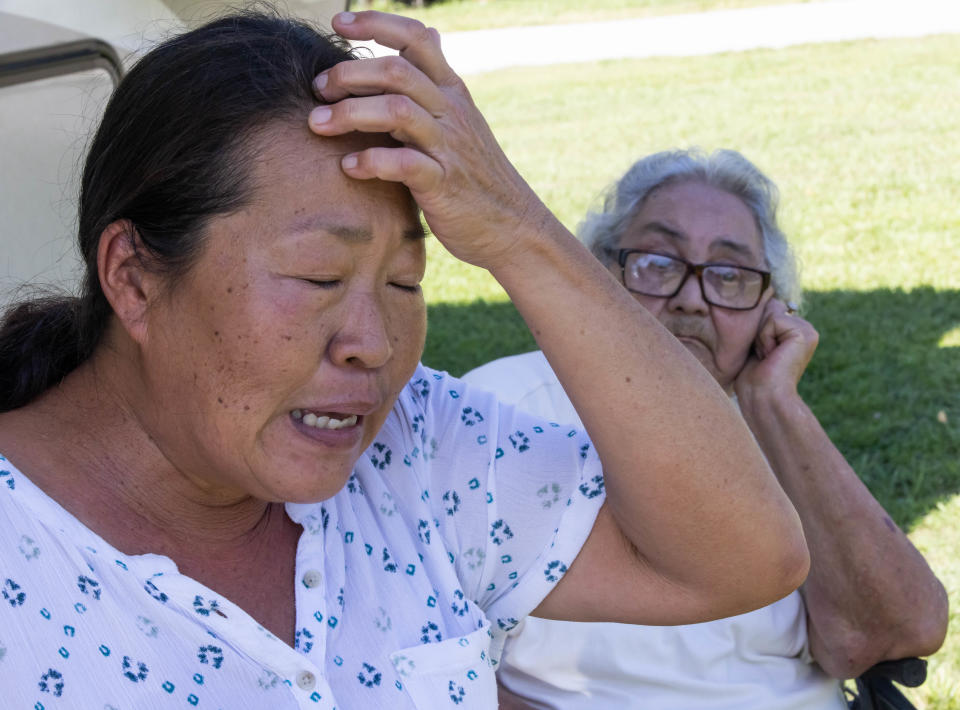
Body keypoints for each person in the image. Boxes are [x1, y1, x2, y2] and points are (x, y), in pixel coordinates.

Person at [0, 11, 810, 710]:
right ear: (133, 278)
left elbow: (745, 558)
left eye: (404, 282)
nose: (375, 342)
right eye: (318, 276)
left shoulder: (415, 447)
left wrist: (517, 230)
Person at [463, 148, 949, 710]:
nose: (692, 299)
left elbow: (897, 632)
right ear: (597, 276)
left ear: (772, 307)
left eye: (730, 275)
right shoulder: (504, 411)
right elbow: (438, 658)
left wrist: (775, 406)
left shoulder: (771, 426)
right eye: (658, 263)